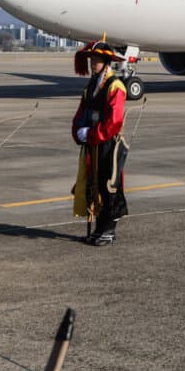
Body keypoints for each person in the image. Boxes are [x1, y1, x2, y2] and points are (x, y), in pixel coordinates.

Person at [72, 40, 129, 246]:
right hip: (93, 142)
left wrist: (94, 133)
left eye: (96, 61)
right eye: (91, 60)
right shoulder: (91, 85)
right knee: (93, 185)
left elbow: (114, 120)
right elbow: (82, 110)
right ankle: (98, 228)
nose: (92, 64)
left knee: (109, 186)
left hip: (107, 144)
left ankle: (109, 230)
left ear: (106, 63)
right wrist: (79, 130)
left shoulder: (116, 86)